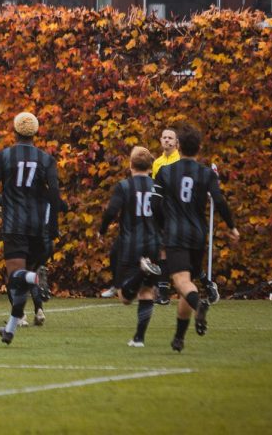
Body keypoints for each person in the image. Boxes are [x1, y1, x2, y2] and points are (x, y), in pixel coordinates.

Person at [153, 125, 239, 353]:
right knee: (188, 284)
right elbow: (219, 201)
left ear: (178, 145)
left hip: (176, 233)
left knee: (181, 281)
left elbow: (155, 204)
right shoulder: (207, 173)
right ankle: (179, 338)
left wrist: (162, 226)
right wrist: (232, 226)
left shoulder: (166, 172)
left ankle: (200, 304)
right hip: (198, 233)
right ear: (199, 148)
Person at [0, 112, 59, 344]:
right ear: (36, 133)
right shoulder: (46, 159)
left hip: (15, 224)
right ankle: (9, 330)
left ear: (14, 131)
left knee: (16, 278)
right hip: (39, 226)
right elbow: (55, 195)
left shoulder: (5, 156)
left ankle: (35, 279)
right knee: (23, 280)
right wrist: (53, 225)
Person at [98, 146, 163, 347]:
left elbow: (111, 211)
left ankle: (140, 273)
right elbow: (164, 217)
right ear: (151, 166)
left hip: (130, 244)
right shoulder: (158, 188)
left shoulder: (125, 186)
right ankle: (139, 338)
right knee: (147, 292)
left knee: (125, 297)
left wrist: (102, 230)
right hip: (152, 243)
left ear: (130, 164)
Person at [150, 127, 180, 305]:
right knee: (161, 250)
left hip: (177, 212)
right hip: (162, 212)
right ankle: (163, 292)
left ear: (177, 143)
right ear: (160, 140)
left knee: (178, 252)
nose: (167, 140)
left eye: (171, 138)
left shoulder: (180, 160)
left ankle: (204, 284)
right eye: (164, 137)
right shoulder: (157, 163)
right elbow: (156, 189)